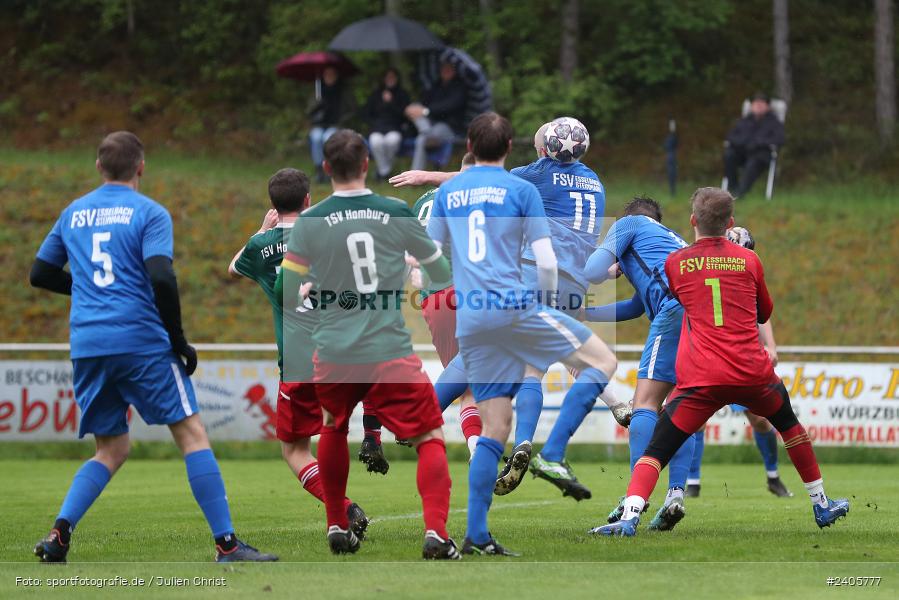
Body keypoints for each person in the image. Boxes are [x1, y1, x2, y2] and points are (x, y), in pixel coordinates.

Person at [29, 131, 276, 563]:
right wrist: (178, 340)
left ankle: (59, 535)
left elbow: (39, 273)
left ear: (98, 167)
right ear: (141, 167)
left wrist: (87, 292)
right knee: (192, 435)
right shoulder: (149, 213)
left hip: (88, 344)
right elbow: (161, 276)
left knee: (111, 448)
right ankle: (227, 544)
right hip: (139, 340)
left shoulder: (73, 213)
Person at [590, 187, 849, 537]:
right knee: (790, 426)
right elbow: (763, 312)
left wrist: (616, 271)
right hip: (752, 372)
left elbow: (670, 301)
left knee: (654, 430)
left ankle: (630, 514)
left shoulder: (676, 262)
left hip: (704, 376)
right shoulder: (750, 260)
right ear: (730, 223)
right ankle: (820, 502)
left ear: (694, 220)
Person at [392, 123, 630, 500]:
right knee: (538, 365)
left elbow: (482, 178)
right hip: (575, 286)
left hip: (534, 274)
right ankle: (540, 437)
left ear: (546, 151)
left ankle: (421, 415)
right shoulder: (594, 181)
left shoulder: (534, 176)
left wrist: (428, 176)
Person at [427, 112, 617, 556]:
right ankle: (551, 452)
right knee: (601, 362)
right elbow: (547, 263)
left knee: (495, 424)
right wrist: (544, 307)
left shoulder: (460, 190)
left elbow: (430, 255)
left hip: (475, 308)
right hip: (533, 296)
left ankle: (475, 533)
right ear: (509, 146)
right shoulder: (552, 187)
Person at [276, 129, 459, 560]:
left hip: (334, 351)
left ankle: (337, 525)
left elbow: (286, 289)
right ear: (365, 166)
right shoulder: (395, 210)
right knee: (430, 436)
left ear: (326, 169)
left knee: (333, 427)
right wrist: (407, 267)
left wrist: (316, 290)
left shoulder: (311, 222)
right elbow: (441, 275)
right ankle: (436, 533)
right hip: (386, 349)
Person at [227, 168, 371, 539]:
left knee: (294, 450)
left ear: (273, 205)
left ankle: (343, 509)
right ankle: (375, 436)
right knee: (334, 435)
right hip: (341, 357)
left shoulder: (261, 248)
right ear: (307, 200)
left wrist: (261, 231)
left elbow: (232, 268)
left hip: (297, 363)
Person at [582, 196, 696, 531]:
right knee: (679, 406)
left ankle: (635, 497)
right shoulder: (670, 240)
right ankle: (675, 494)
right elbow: (636, 305)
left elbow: (591, 271)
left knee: (644, 403)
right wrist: (587, 314)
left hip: (674, 311)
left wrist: (609, 268)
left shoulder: (629, 224)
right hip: (698, 317)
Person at [686, 225, 792, 498]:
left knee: (759, 419)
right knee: (696, 419)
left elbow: (761, 312)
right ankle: (692, 483)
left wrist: (771, 345)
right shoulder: (705, 267)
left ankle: (773, 477)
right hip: (709, 353)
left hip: (741, 355)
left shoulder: (745, 269)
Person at [406, 152, 482, 458]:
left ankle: (473, 447)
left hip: (434, 299)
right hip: (471, 294)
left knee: (464, 381)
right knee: (473, 384)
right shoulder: (481, 198)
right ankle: (426, 418)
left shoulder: (423, 200)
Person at [405, 61, 467, 170]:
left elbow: (449, 106)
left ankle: (415, 174)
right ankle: (427, 132)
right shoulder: (437, 85)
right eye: (443, 69)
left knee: (421, 139)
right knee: (414, 107)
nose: (445, 71)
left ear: (454, 71)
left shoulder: (459, 87)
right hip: (431, 125)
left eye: (448, 69)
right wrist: (413, 109)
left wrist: (425, 111)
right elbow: (425, 102)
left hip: (450, 127)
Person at [723, 92, 785, 198]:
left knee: (754, 161)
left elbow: (780, 139)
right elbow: (730, 137)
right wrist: (743, 142)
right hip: (742, 152)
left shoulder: (774, 122)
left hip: (761, 154)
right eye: (756, 103)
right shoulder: (744, 121)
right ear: (751, 106)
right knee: (729, 155)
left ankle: (740, 193)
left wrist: (759, 143)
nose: (759, 106)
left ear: (768, 106)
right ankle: (732, 189)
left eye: (762, 103)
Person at [308, 66, 356, 183]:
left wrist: (342, 119)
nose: (329, 77)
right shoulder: (318, 90)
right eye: (327, 75)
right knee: (316, 138)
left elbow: (352, 110)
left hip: (337, 124)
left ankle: (331, 168)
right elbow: (309, 111)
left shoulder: (343, 91)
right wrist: (317, 104)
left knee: (327, 138)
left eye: (332, 74)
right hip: (319, 125)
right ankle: (319, 169)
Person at [363, 68, 410, 181]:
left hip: (395, 128)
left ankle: (382, 172)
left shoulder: (402, 94)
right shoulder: (375, 94)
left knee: (392, 141)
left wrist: (391, 103)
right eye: (388, 77)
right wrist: (373, 124)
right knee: (375, 142)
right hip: (377, 128)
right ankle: (386, 171)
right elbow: (366, 114)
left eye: (392, 77)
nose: (390, 80)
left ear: (397, 79)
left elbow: (405, 114)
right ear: (384, 79)